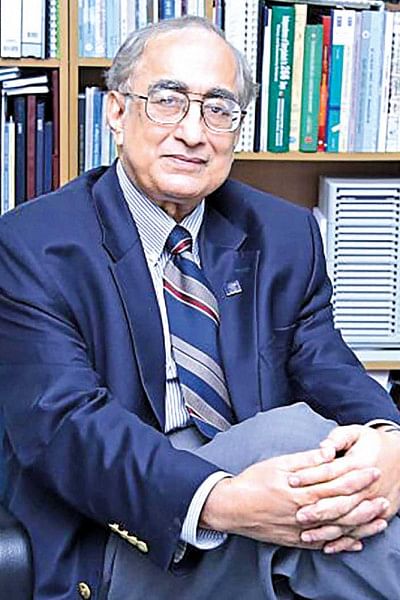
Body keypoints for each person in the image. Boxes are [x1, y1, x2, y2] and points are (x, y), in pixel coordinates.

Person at [0, 15, 400, 600]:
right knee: (296, 441)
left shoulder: (283, 233)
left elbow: (327, 365)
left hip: (275, 496)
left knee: (339, 482)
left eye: (218, 109)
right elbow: (67, 426)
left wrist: (387, 439)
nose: (193, 132)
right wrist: (221, 501)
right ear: (116, 112)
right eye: (168, 101)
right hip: (120, 524)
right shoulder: (32, 244)